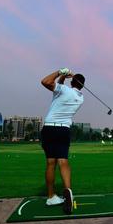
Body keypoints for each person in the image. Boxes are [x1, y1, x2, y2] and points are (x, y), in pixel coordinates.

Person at [40, 68, 85, 214]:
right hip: (63, 130)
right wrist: (64, 78)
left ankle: (51, 196)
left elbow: (45, 81)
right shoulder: (80, 97)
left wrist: (60, 71)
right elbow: (59, 89)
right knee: (63, 161)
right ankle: (68, 192)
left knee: (50, 163)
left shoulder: (63, 90)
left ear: (72, 82)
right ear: (82, 86)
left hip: (49, 129)